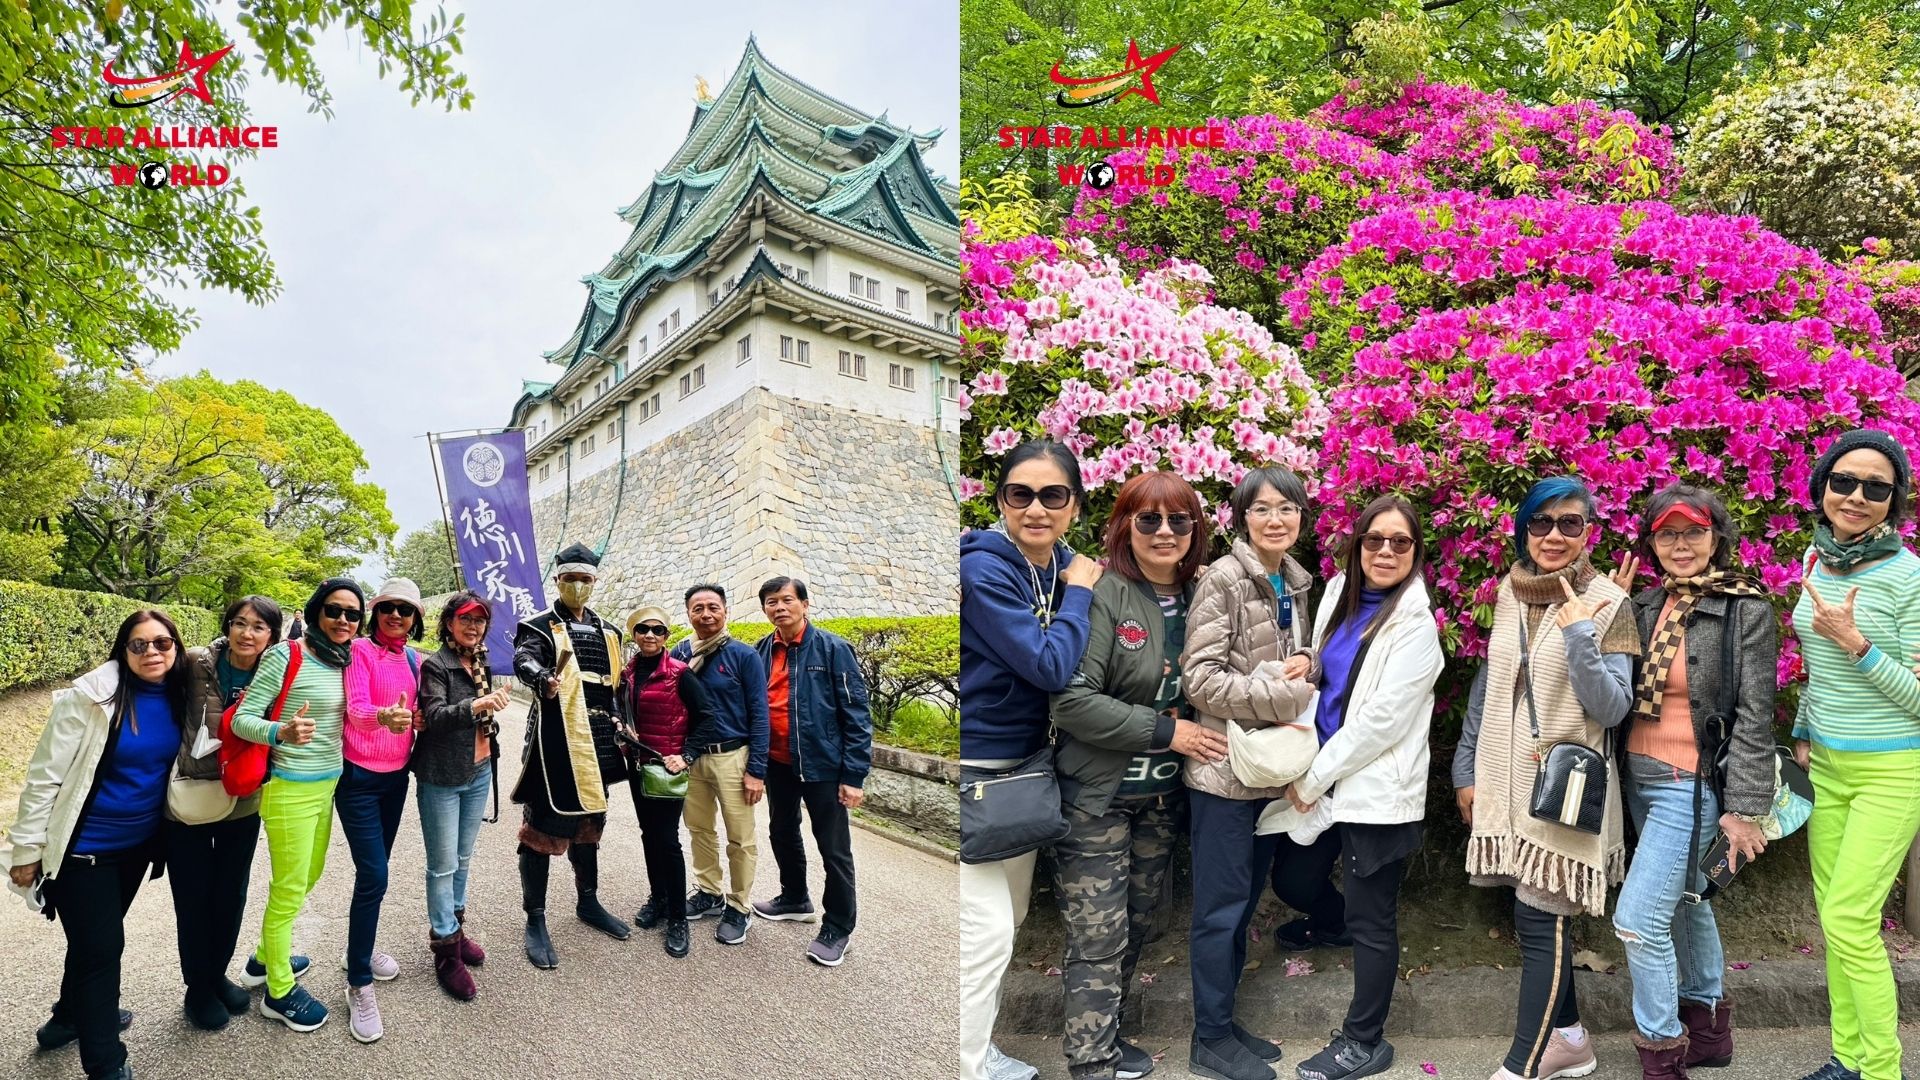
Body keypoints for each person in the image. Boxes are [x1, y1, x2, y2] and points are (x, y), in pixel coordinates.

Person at [1452, 477, 1640, 1080]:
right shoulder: (1510, 593)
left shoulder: (1611, 603)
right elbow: (1489, 690)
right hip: (1507, 785)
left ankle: (1523, 1065)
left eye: (1570, 524)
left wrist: (1579, 633)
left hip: (1567, 791)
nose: (1554, 536)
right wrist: (1465, 770)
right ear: (1523, 529)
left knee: (1541, 922)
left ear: (1591, 531)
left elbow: (1612, 709)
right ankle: (1571, 1041)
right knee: (1533, 918)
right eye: (1541, 523)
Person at [1049, 471, 1223, 1080]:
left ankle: (1105, 1038)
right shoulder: (1105, 594)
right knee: (1098, 936)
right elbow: (1071, 700)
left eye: (1179, 520)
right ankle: (1090, 1062)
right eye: (1148, 519)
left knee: (1141, 923)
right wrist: (1167, 730)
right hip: (1098, 798)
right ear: (1125, 526)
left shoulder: (1205, 594)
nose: (1165, 531)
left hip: (1163, 799)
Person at [1614, 484, 1776, 1079]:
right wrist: (1613, 602)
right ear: (1652, 541)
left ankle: (1662, 1053)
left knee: (1637, 918)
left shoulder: (1745, 608)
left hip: (1693, 784)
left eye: (1694, 532)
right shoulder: (1642, 604)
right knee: (1687, 903)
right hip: (1639, 778)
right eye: (1667, 533)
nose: (1681, 544)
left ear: (1717, 537)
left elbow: (1756, 716)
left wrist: (1745, 807)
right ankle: (1709, 1031)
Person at [1286, 497, 1444, 1080]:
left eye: (1399, 543)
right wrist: (1306, 659)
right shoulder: (1336, 593)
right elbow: (1328, 662)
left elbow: (1380, 722)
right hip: (1322, 773)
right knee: (1295, 878)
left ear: (1415, 553)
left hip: (1374, 789)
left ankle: (1364, 1040)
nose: (1384, 551)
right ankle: (1332, 924)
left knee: (1373, 920)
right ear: (1357, 544)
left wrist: (1314, 778)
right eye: (1374, 539)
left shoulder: (1417, 628)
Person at [959, 439, 1100, 1080]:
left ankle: (977, 1049)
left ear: (1074, 504)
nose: (1036, 508)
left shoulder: (1061, 564)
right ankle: (961, 1061)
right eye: (1021, 494)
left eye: (1053, 495)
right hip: (977, 770)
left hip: (1024, 771)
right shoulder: (984, 569)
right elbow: (1048, 665)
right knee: (984, 930)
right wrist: (1078, 594)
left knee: (1008, 918)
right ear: (1001, 501)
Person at [1179, 465, 1319, 1080]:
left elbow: (1298, 661)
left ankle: (1224, 1023)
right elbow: (1199, 678)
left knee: (1241, 905)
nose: (1275, 520)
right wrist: (1284, 693)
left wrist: (1308, 660)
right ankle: (1208, 1038)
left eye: (1286, 509)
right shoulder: (1223, 580)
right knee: (1220, 909)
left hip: (1267, 774)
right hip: (1223, 776)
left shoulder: (1296, 580)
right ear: (1242, 517)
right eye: (1262, 509)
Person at [1788, 430, 1920, 1080]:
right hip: (1829, 768)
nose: (1857, 496)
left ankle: (1883, 1071)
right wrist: (1805, 732)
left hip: (1893, 770)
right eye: (1844, 481)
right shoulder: (1817, 564)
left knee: (1848, 916)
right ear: (1823, 488)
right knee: (1835, 917)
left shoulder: (1909, 575)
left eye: (1876, 487)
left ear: (1893, 501)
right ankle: (1847, 1057)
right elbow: (1817, 672)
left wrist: (1859, 644)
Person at [8, 610, 186, 1080]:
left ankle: (68, 1018)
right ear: (122, 650)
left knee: (92, 946)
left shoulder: (180, 695)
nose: (152, 652)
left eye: (162, 643)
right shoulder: (90, 700)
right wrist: (25, 850)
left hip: (136, 849)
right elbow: (44, 778)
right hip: (84, 850)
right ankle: (106, 1063)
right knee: (104, 950)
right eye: (139, 644)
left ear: (176, 648)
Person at [232, 578, 364, 1033]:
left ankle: (263, 959)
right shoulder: (286, 655)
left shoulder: (344, 660)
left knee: (309, 875)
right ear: (314, 612)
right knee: (289, 888)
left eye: (352, 613)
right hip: (288, 786)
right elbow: (244, 719)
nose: (343, 620)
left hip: (327, 784)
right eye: (334, 610)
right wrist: (280, 732)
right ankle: (278, 990)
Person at [511, 542, 634, 968]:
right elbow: (524, 658)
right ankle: (536, 917)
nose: (578, 586)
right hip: (555, 739)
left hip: (598, 738)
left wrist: (621, 721)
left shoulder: (610, 632)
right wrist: (542, 676)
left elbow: (615, 687)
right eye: (570, 580)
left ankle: (588, 902)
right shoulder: (540, 626)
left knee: (589, 821)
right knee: (544, 825)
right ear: (558, 581)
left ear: (594, 582)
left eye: (585, 580)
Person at [168, 596, 283, 1032]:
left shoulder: (278, 673)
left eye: (258, 627)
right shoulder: (196, 662)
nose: (247, 633)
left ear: (272, 634)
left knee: (230, 893)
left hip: (244, 798)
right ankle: (197, 989)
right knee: (193, 897)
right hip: (192, 796)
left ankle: (215, 974)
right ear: (227, 625)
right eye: (239, 623)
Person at [752, 576, 874, 967]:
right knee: (781, 831)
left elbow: (857, 716)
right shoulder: (761, 650)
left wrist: (853, 776)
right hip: (777, 763)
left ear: (805, 604)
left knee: (834, 848)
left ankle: (838, 926)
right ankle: (794, 898)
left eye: (787, 600)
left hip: (824, 766)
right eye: (772, 602)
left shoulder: (833, 649)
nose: (780, 607)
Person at [335, 578, 424, 1042]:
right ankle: (358, 983)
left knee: (377, 871)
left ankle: (359, 952)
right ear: (375, 612)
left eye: (405, 611)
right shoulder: (360, 652)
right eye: (388, 607)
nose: (396, 616)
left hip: (396, 777)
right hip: (359, 779)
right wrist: (383, 718)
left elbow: (422, 706)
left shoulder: (412, 658)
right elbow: (356, 708)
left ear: (415, 619)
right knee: (374, 874)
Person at [414, 591, 512, 1001]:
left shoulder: (480, 659)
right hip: (441, 776)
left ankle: (456, 928)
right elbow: (433, 718)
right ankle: (445, 951)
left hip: (478, 772)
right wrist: (478, 704)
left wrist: (484, 710)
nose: (473, 627)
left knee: (463, 859)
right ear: (449, 623)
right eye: (465, 620)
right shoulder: (437, 665)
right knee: (441, 865)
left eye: (480, 621)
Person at [670, 583, 771, 946]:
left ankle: (739, 905)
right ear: (689, 614)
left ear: (725, 611)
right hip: (692, 757)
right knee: (699, 829)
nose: (706, 614)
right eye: (698, 608)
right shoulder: (679, 652)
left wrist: (756, 770)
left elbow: (760, 714)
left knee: (741, 838)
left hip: (733, 756)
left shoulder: (744, 656)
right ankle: (709, 891)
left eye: (713, 607)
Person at [618, 603, 715, 959]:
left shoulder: (679, 672)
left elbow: (707, 718)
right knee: (649, 834)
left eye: (658, 630)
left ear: (666, 637)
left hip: (666, 770)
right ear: (634, 634)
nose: (650, 636)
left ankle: (677, 917)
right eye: (643, 629)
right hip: (638, 766)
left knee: (667, 840)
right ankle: (657, 898)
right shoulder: (627, 674)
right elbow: (622, 709)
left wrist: (685, 755)